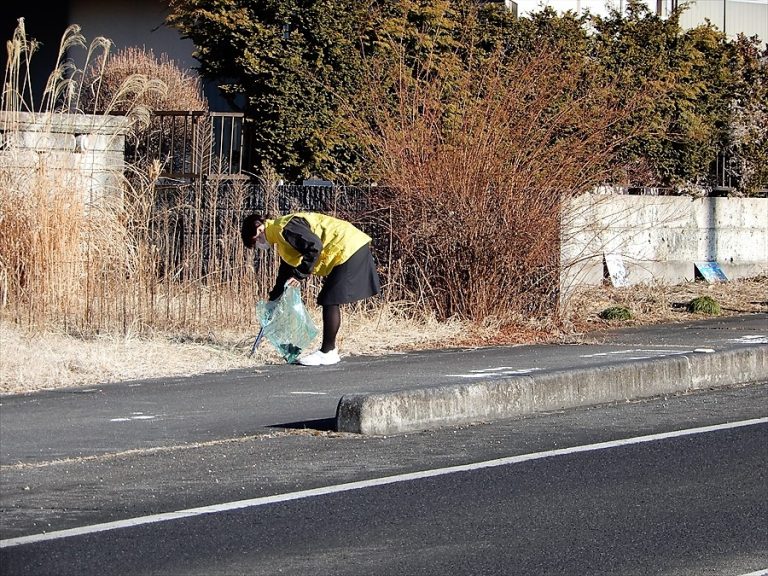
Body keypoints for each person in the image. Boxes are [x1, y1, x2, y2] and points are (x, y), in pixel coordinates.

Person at [241, 211, 381, 366]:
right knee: (329, 298)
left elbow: (315, 247)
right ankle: (329, 351)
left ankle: (328, 352)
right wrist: (274, 299)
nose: (260, 244)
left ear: (260, 228)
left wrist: (300, 274)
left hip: (348, 247)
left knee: (329, 299)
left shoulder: (285, 228)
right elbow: (286, 270)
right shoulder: (281, 236)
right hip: (347, 247)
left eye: (257, 239)